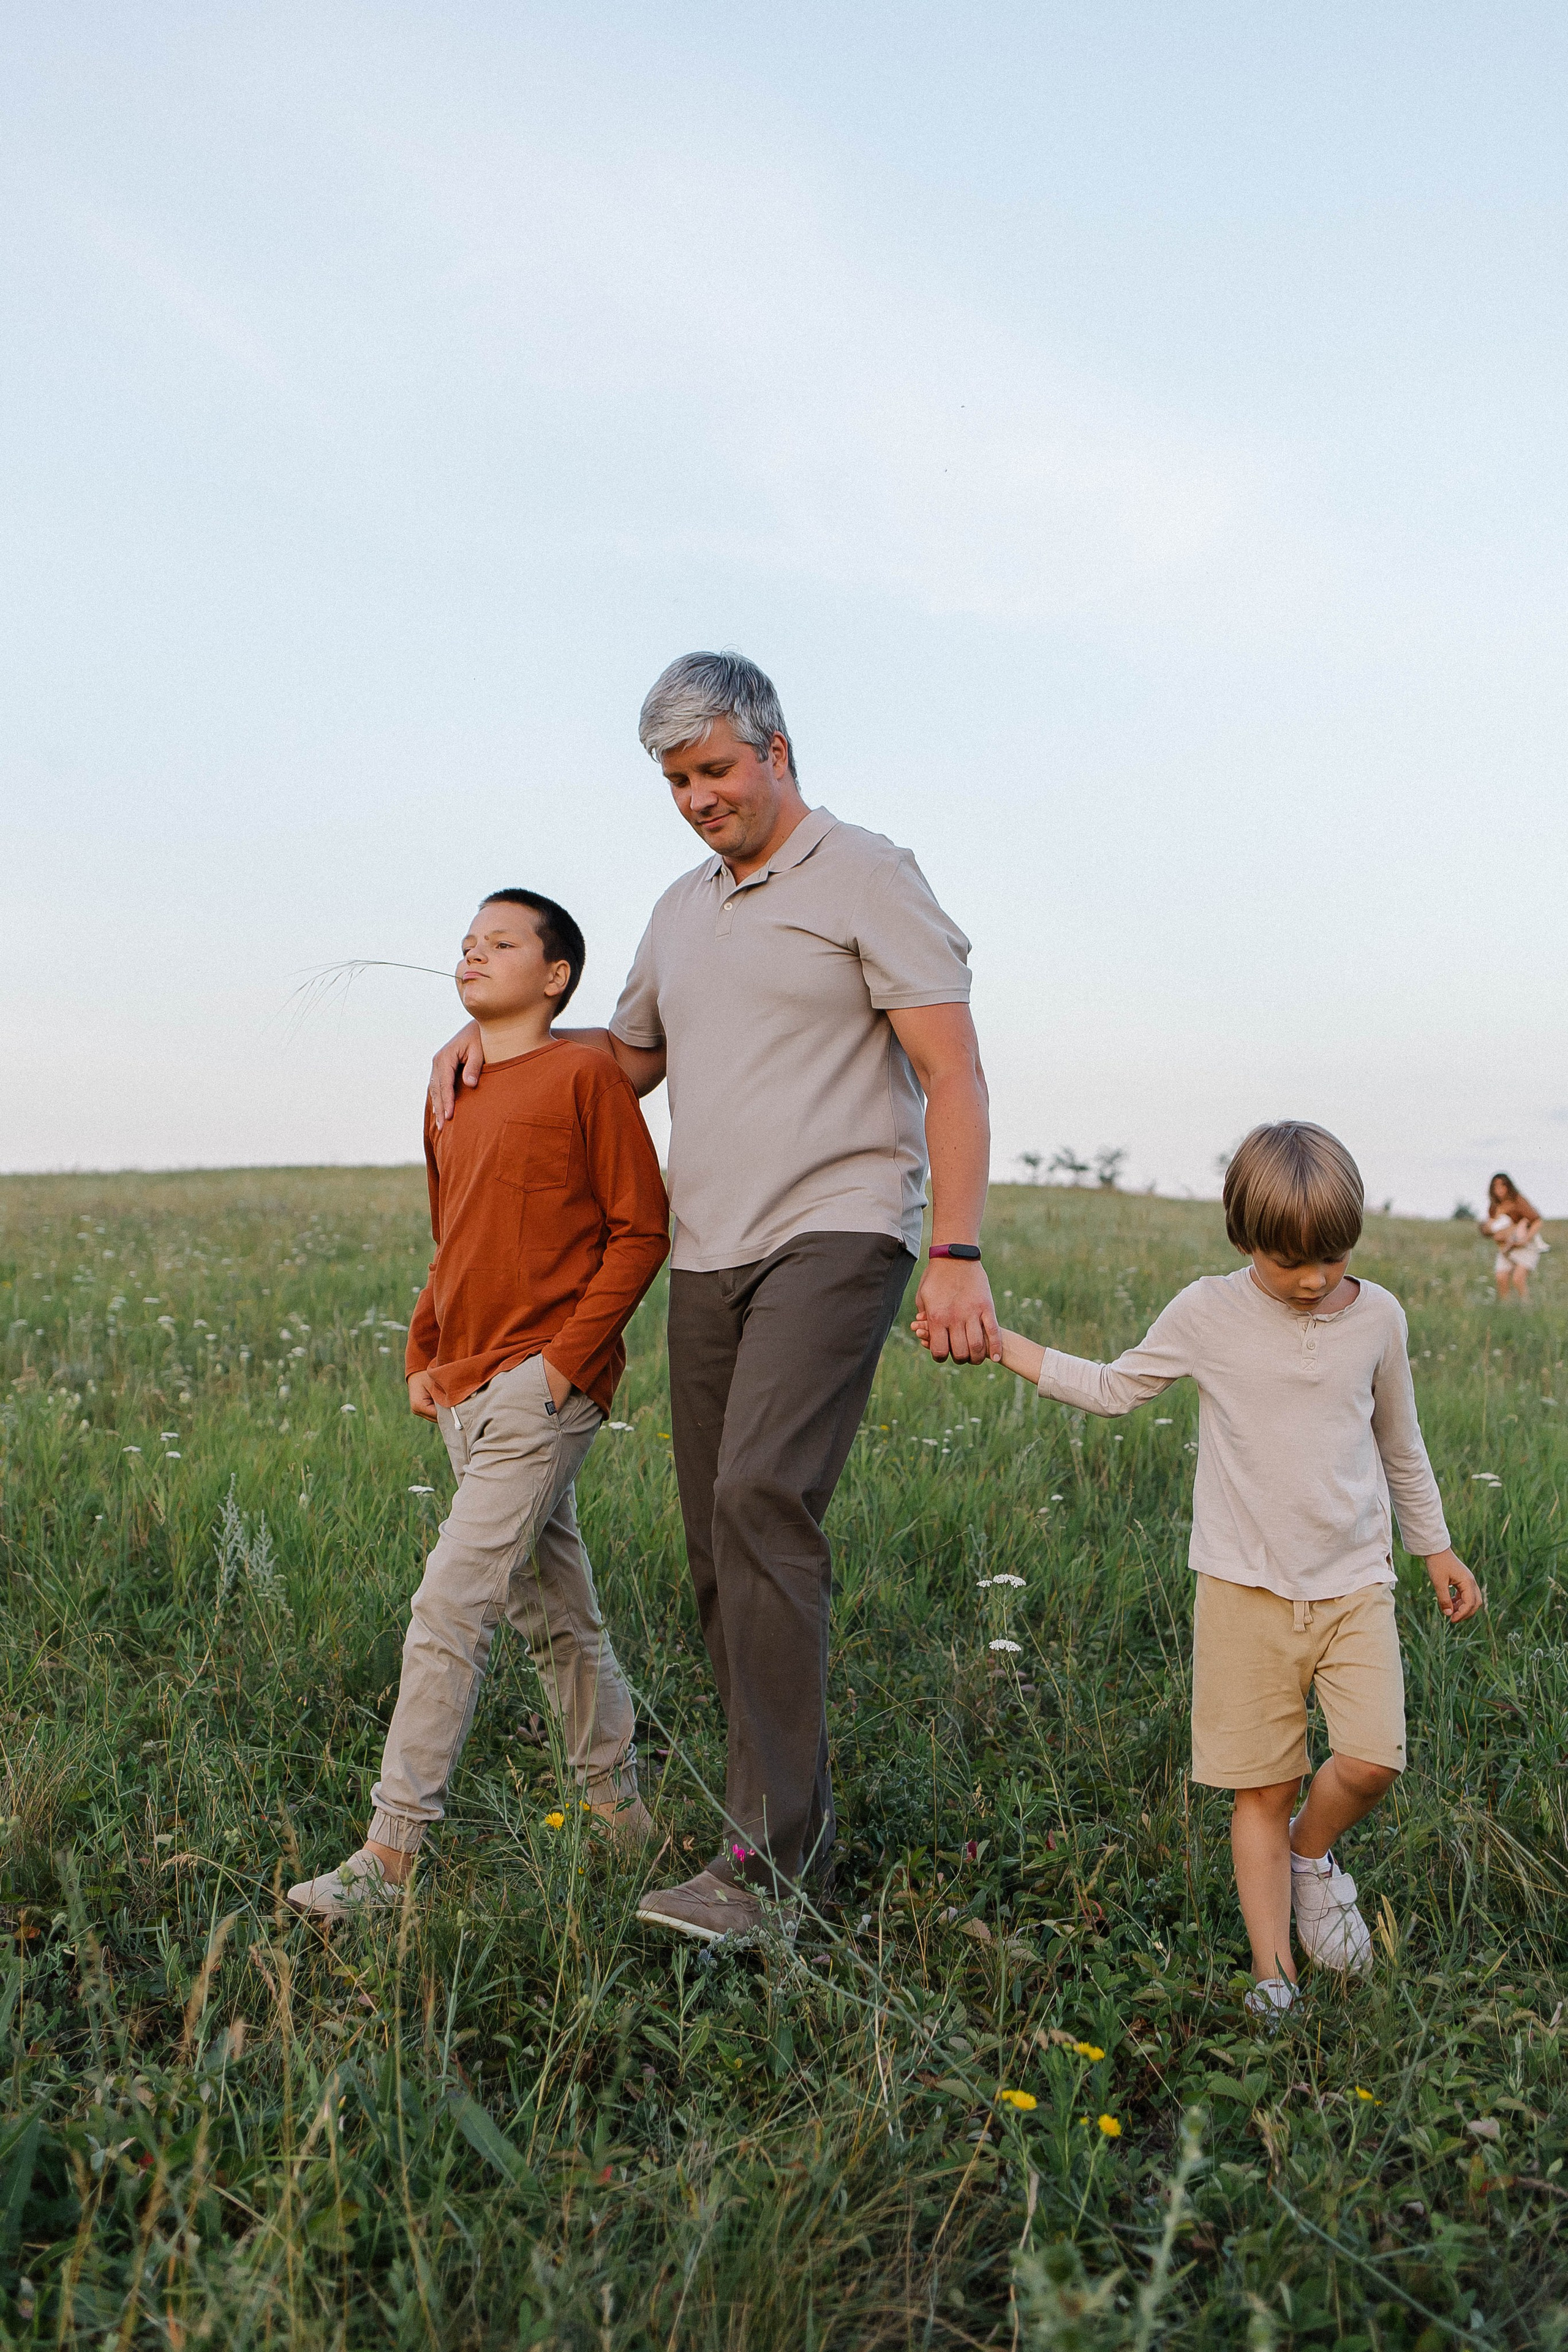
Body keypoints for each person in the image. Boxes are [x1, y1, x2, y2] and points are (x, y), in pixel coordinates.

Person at [430, 652, 997, 1940]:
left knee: (760, 1500)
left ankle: (776, 1869)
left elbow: (952, 1074)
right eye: (676, 780)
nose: (697, 797)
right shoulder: (680, 909)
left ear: (776, 752)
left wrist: (953, 1251)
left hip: (836, 1232)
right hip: (706, 1252)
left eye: (716, 769)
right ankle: (761, 1820)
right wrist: (500, 1038)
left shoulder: (866, 873)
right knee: (713, 1547)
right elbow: (623, 1063)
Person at [916, 1120, 1484, 2019]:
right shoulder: (1206, 1313)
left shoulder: (1378, 1318)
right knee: (1261, 1785)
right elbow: (1110, 1390)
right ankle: (1273, 1976)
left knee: (1373, 1759)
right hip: (1242, 1590)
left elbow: (1399, 1445)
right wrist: (1000, 1342)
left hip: (1352, 1585)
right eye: (1291, 1261)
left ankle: (1312, 1856)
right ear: (1243, 1239)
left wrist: (1436, 1546)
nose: (1314, 1280)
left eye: (1333, 1257)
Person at [288, 890, 669, 1919]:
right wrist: (424, 1347)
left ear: (554, 978)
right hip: (462, 1385)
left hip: (542, 1389)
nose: (473, 954)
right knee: (556, 1614)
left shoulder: (586, 1075)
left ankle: (390, 1857)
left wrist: (563, 1367)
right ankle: (619, 1818)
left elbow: (640, 1230)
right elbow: (451, 1231)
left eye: (501, 943)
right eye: (465, 943)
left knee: (448, 1604)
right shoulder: (449, 1087)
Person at [1479, 1172, 1548, 1304]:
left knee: (1518, 1279)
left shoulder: (1518, 1201)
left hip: (1524, 1246)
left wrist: (1525, 1239)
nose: (1499, 1190)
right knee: (1501, 1277)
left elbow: (1537, 1221)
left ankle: (1528, 1309)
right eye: (1496, 1186)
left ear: (1509, 1186)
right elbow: (1491, 1228)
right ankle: (1507, 1308)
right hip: (1506, 1246)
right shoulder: (1494, 1206)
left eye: (1502, 1186)